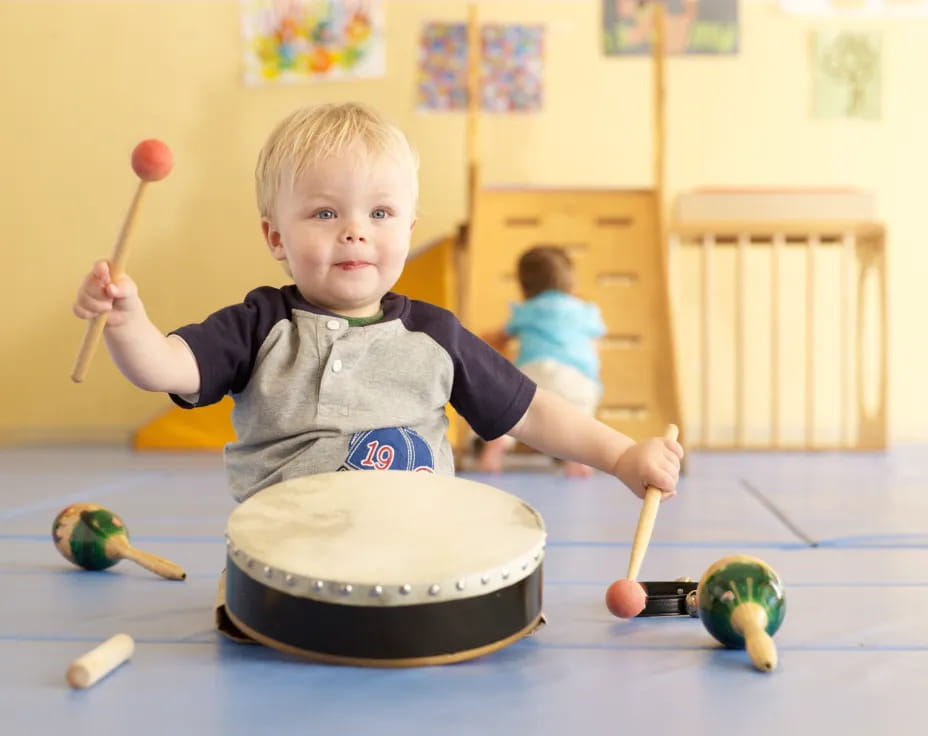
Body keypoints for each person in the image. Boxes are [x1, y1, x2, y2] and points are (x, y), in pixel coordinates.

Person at [72, 100, 682, 504]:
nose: (355, 230)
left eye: (380, 212)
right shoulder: (258, 326)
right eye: (325, 212)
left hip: (413, 541)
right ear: (276, 237)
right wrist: (127, 321)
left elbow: (533, 413)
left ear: (409, 229)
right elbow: (164, 366)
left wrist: (624, 456)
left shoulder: (435, 337)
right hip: (291, 545)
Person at [477, 246, 605, 477]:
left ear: (525, 286)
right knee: (580, 416)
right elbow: (595, 346)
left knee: (512, 412)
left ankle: (494, 451)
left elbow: (500, 337)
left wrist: (487, 339)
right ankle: (578, 461)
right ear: (571, 282)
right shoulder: (587, 311)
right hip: (576, 377)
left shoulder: (526, 311)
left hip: (532, 371)